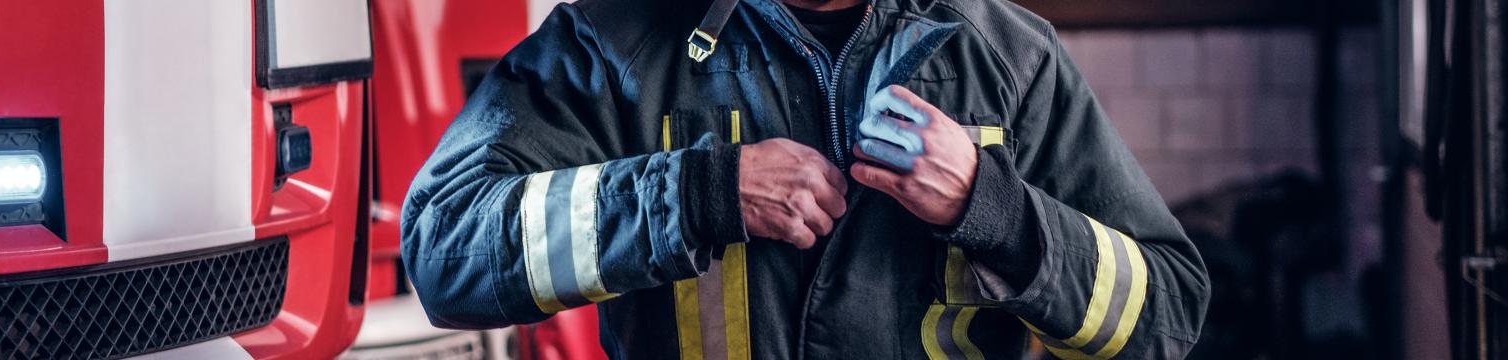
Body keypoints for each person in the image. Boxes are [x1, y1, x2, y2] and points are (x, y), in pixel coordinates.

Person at [398, 0, 1209, 358]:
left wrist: (995, 212)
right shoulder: (612, 45)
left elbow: (1166, 314)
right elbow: (442, 249)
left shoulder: (1006, 57)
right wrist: (693, 195)